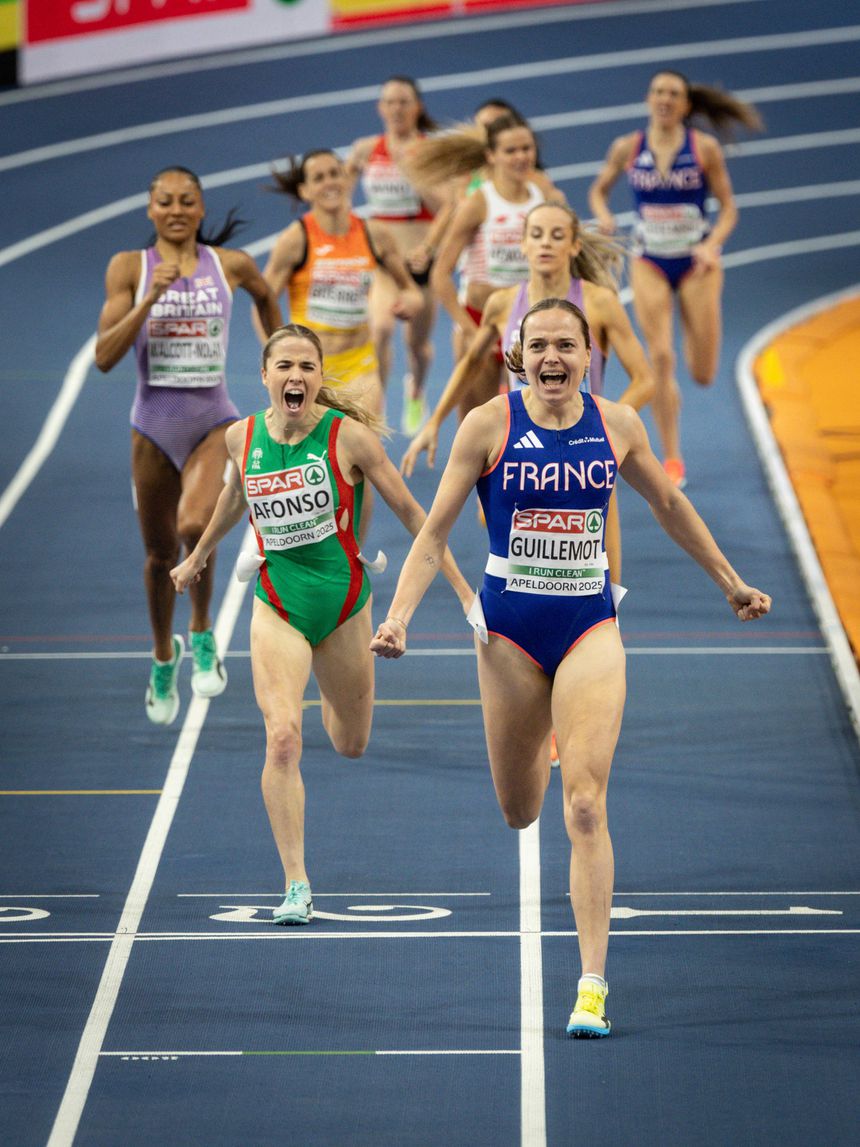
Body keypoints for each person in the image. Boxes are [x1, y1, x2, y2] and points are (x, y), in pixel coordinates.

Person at [371, 298, 771, 1037]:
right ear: (518, 354)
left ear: (589, 354)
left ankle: (592, 983)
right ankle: (548, 740)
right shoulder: (487, 425)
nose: (553, 358)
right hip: (509, 637)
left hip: (590, 623)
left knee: (585, 805)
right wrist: (397, 616)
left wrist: (730, 580)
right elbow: (432, 535)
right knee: (520, 810)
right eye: (540, 346)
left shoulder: (618, 424)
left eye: (567, 345)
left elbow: (671, 503)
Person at [170, 324, 472, 926]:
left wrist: (464, 591)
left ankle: (327, 690)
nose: (296, 377)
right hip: (277, 602)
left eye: (307, 367)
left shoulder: (349, 439)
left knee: (350, 742)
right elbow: (236, 497)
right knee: (282, 736)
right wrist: (201, 553)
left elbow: (418, 515)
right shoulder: (241, 437)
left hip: (343, 607)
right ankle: (296, 884)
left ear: (319, 376)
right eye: (285, 366)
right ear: (264, 376)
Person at [95, 165, 281, 726]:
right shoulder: (130, 267)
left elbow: (267, 295)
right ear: (150, 210)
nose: (176, 210)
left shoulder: (230, 265)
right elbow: (104, 356)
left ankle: (201, 631)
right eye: (165, 201)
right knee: (158, 557)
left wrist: (278, 360)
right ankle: (161, 654)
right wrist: (147, 300)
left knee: (195, 528)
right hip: (152, 426)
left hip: (212, 422)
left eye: (187, 201)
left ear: (201, 210)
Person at [401, 201, 655, 584]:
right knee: (509, 539)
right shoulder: (503, 304)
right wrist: (433, 422)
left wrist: (606, 424)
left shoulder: (599, 301)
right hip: (521, 442)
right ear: (522, 244)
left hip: (584, 443)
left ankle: (608, 618)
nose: (545, 244)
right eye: (536, 235)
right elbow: (471, 363)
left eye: (557, 236)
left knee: (601, 563)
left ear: (573, 246)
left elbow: (646, 378)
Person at [589, 70, 762, 489]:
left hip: (696, 263)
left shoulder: (703, 148)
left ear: (686, 105)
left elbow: (729, 208)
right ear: (649, 99)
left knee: (702, 372)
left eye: (674, 94)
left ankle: (692, 339)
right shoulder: (627, 147)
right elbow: (599, 190)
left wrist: (712, 243)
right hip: (650, 260)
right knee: (661, 358)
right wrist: (607, 215)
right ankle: (672, 458)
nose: (665, 99)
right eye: (658, 92)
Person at [255, 148, 424, 535]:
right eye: (319, 177)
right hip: (310, 373)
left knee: (361, 465)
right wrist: (278, 352)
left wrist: (409, 301)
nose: (330, 182)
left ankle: (354, 552)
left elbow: (410, 289)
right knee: (306, 468)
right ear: (305, 190)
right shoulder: (296, 239)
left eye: (335, 173)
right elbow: (263, 299)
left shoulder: (371, 232)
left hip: (360, 367)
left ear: (347, 181)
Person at [425, 114, 565, 421]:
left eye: (526, 149)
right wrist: (469, 328)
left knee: (536, 416)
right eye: (511, 151)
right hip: (483, 322)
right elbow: (440, 274)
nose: (521, 157)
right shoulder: (479, 202)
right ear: (491, 156)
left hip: (532, 322)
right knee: (478, 421)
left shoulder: (546, 195)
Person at [346, 76, 445, 434]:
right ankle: (376, 407)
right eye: (390, 102)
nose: (397, 108)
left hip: (421, 263)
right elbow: (338, 196)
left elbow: (448, 207)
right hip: (385, 262)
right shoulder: (364, 149)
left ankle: (416, 390)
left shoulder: (429, 151)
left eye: (404, 101)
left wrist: (430, 247)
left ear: (417, 107)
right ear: (380, 108)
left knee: (417, 344)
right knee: (380, 329)